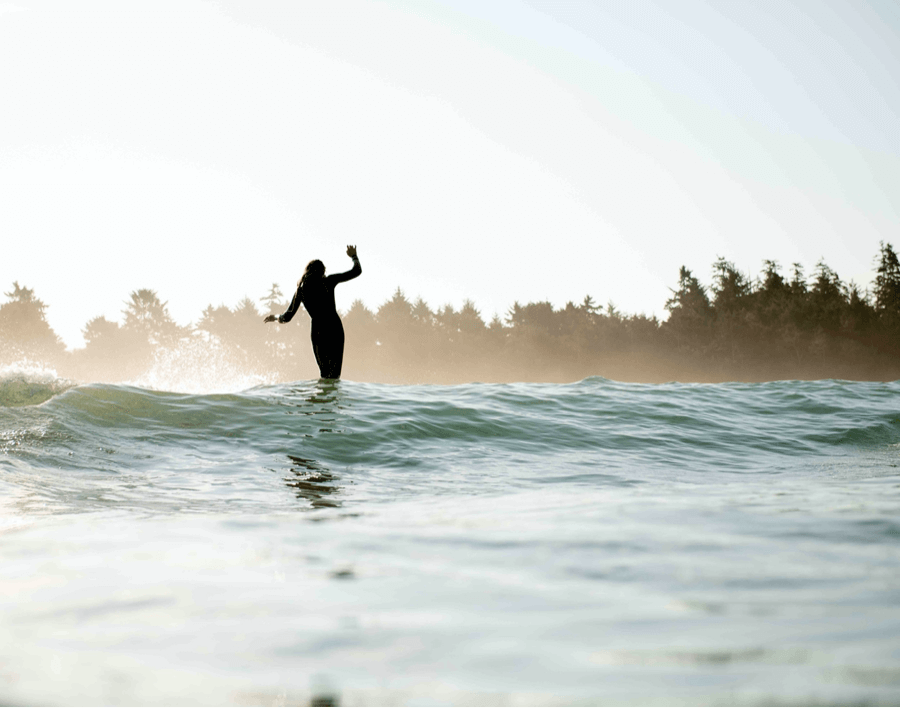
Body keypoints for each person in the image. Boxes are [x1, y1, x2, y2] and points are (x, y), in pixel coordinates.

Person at [265, 245, 361, 379]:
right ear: (322, 271)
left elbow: (286, 317)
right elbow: (356, 271)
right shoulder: (328, 281)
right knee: (334, 376)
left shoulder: (301, 290)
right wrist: (354, 257)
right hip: (334, 328)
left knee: (324, 375)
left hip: (318, 331)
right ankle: (332, 399)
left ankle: (320, 399)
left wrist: (275, 317)